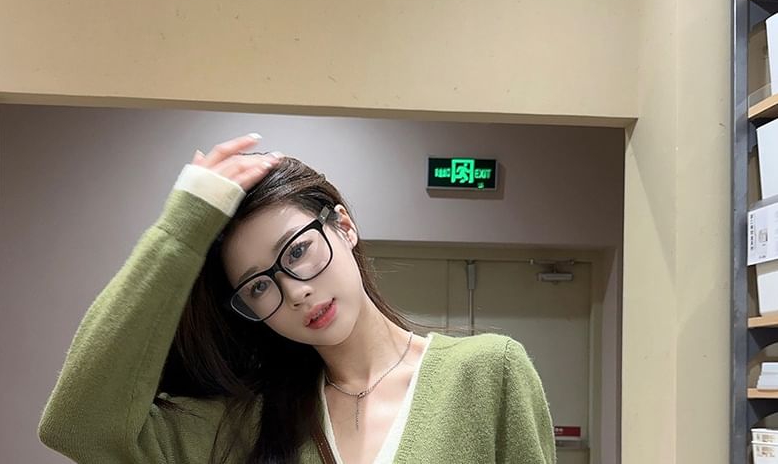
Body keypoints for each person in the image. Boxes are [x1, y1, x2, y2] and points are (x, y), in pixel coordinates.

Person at [38, 133, 556, 464]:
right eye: (259, 286)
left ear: (344, 226)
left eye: (298, 250)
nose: (295, 291)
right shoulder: (240, 424)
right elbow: (78, 428)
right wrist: (180, 232)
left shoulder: (487, 373)